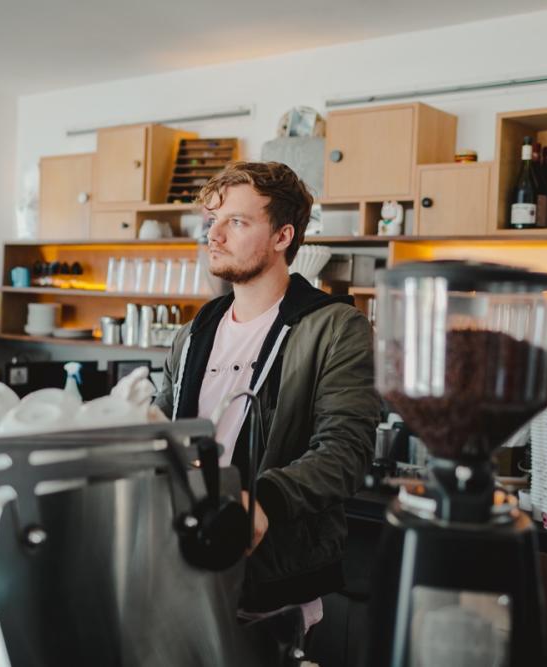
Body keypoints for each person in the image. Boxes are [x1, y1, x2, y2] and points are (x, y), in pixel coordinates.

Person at [153, 161, 381, 630]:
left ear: (283, 236)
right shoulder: (196, 331)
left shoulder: (336, 327)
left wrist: (264, 501)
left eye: (236, 221)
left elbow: (346, 451)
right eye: (211, 222)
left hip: (270, 583)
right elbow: (164, 423)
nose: (214, 236)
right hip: (179, 567)